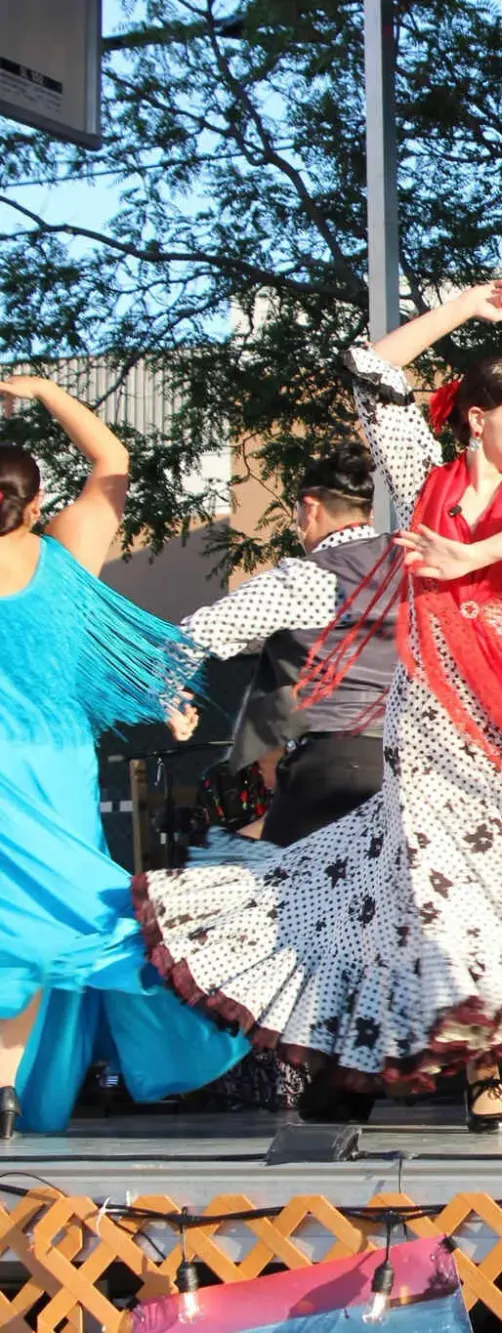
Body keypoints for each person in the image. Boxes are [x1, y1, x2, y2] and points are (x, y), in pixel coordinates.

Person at [132, 280, 502, 1132]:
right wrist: (463, 308)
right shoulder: (421, 482)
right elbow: (367, 365)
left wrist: (465, 558)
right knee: (448, 896)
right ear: (475, 418)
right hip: (428, 729)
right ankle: (491, 1074)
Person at [0, 376, 248, 1136]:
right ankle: (7, 1087)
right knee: (58, 918)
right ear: (36, 503)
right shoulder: (66, 554)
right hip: (55, 767)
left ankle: (7, 1083)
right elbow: (112, 459)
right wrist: (42, 390)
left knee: (15, 923)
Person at [179, 440, 398, 846]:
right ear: (368, 513)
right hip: (411, 770)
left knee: (272, 897)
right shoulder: (407, 567)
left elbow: (195, 635)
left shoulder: (304, 579)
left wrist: (170, 696)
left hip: (333, 768)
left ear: (309, 508)